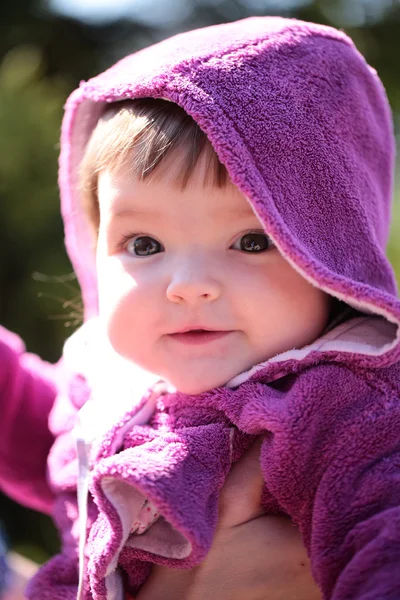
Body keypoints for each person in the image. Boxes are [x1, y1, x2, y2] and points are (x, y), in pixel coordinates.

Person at [1, 13, 400, 600]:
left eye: (251, 241)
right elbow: (39, 435)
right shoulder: (104, 385)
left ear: (330, 253)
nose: (187, 286)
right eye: (144, 245)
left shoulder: (344, 412)